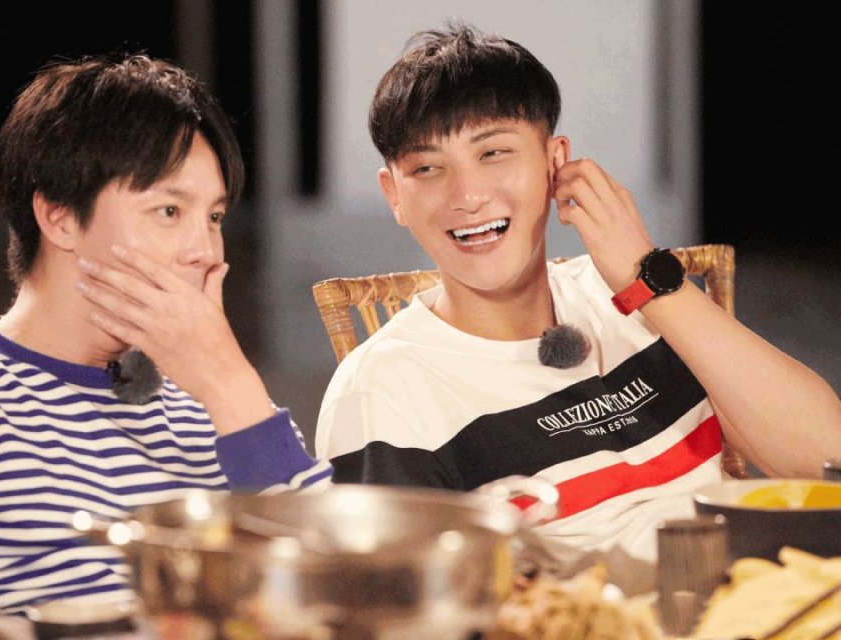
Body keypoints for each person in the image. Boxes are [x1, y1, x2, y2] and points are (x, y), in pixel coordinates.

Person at [315, 24, 841, 579]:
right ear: (394, 195)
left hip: (767, 595)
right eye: (426, 168)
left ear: (555, 162)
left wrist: (649, 281)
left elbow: (827, 460)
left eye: (493, 153)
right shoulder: (383, 390)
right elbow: (400, 600)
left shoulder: (634, 299)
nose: (467, 196)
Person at [0, 53, 331, 637]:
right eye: (169, 210)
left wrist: (230, 388)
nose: (205, 251)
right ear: (60, 217)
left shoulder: (222, 411)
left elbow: (337, 603)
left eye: (215, 217)